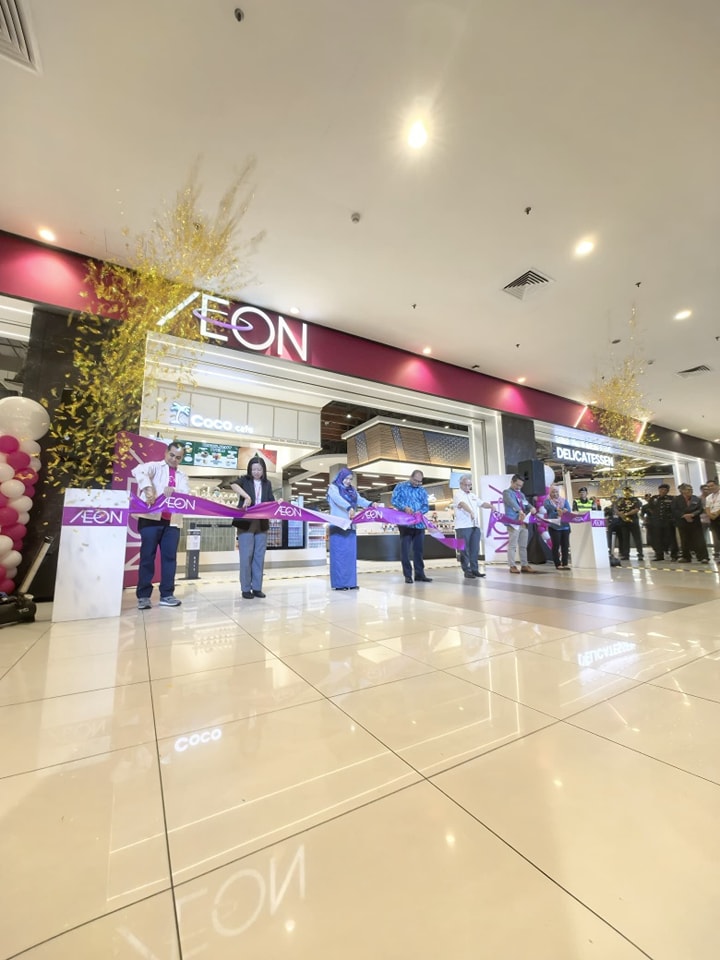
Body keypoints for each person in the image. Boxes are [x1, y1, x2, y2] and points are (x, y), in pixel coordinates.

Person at [133, 440, 190, 609]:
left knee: (169, 558)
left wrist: (175, 492)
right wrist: (148, 489)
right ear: (166, 453)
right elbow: (139, 471)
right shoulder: (154, 467)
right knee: (147, 557)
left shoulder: (182, 475)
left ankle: (167, 594)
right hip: (150, 519)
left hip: (172, 522)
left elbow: (186, 494)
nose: (174, 459)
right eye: (172, 455)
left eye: (178, 457)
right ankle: (143, 596)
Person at [231, 456, 275, 598]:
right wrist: (247, 497)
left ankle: (257, 587)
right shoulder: (245, 480)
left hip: (261, 523)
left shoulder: (267, 484)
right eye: (254, 469)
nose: (256, 472)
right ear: (250, 469)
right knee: (246, 555)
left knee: (259, 556)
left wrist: (278, 502)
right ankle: (245, 588)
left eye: (259, 469)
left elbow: (271, 501)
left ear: (263, 470)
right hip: (245, 522)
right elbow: (233, 485)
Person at [326, 468, 376, 590]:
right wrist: (349, 507)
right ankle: (339, 584)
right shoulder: (333, 488)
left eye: (350, 479)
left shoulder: (352, 490)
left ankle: (351, 583)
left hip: (351, 526)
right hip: (338, 525)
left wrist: (370, 504)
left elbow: (359, 500)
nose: (348, 481)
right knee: (339, 555)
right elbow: (338, 499)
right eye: (346, 478)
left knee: (350, 555)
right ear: (341, 477)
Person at [391, 470, 432, 583]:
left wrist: (420, 511)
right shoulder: (400, 486)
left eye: (420, 481)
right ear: (410, 477)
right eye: (415, 480)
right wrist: (404, 508)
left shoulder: (422, 490)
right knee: (405, 550)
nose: (417, 483)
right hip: (405, 523)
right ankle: (407, 575)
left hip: (419, 524)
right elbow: (394, 500)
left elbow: (426, 506)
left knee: (418, 550)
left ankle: (420, 574)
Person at [453, 474, 491, 579]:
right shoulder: (458, 494)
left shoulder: (472, 495)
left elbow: (482, 503)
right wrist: (470, 512)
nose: (467, 487)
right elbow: (463, 504)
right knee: (465, 550)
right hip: (463, 526)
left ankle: (475, 569)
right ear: (461, 484)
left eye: (469, 485)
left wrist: (491, 506)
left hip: (475, 525)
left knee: (475, 549)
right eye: (465, 485)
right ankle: (467, 570)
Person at [502, 474, 537, 573]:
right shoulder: (506, 492)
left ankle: (524, 565)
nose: (518, 487)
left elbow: (525, 503)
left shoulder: (521, 494)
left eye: (520, 486)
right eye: (517, 485)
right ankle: (512, 566)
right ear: (512, 482)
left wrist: (531, 507)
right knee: (512, 545)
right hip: (513, 522)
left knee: (523, 546)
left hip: (523, 522)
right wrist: (519, 510)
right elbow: (512, 502)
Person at [672, 483, 709, 563]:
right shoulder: (676, 499)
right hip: (682, 522)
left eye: (691, 489)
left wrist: (692, 514)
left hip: (695, 522)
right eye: (688, 489)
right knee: (684, 540)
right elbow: (674, 510)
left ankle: (703, 557)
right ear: (682, 491)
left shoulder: (696, 499)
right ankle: (686, 557)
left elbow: (700, 509)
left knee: (699, 540)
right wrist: (684, 515)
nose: (690, 491)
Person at [539, 485, 573, 569]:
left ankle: (565, 563)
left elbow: (568, 510)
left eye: (556, 492)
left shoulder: (564, 501)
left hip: (565, 526)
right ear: (550, 493)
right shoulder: (547, 502)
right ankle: (557, 564)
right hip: (554, 526)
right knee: (556, 545)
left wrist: (564, 511)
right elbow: (551, 512)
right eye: (553, 492)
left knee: (565, 545)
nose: (555, 494)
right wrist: (558, 513)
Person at [645, 483, 678, 561]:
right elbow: (649, 508)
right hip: (657, 522)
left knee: (671, 539)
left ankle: (674, 555)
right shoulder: (654, 498)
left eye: (665, 490)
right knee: (657, 539)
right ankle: (659, 555)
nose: (662, 491)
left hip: (668, 521)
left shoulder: (671, 498)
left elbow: (674, 509)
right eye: (661, 489)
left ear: (667, 491)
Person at [615, 486, 644, 560]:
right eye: (625, 490)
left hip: (633, 521)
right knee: (625, 539)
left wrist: (627, 514)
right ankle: (626, 555)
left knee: (637, 538)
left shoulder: (635, 499)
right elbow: (615, 509)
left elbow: (637, 509)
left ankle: (640, 554)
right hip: (623, 522)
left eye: (628, 490)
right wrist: (620, 514)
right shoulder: (620, 500)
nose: (627, 492)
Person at [703, 478, 720, 560]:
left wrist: (717, 513)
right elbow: (707, 508)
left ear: (717, 485)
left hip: (718, 515)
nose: (710, 488)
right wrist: (710, 515)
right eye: (708, 486)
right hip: (713, 519)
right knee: (718, 536)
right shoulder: (709, 497)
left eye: (712, 486)